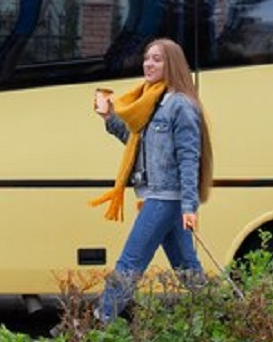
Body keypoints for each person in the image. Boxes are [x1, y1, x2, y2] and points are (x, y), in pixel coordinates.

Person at [90, 38, 212, 321]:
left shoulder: (181, 106)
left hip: (165, 197)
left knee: (130, 262)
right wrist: (108, 117)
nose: (149, 63)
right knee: (186, 267)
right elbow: (137, 144)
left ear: (173, 64)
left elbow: (189, 158)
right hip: (153, 195)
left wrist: (189, 207)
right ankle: (215, 317)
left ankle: (99, 321)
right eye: (147, 58)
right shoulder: (151, 102)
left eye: (157, 59)